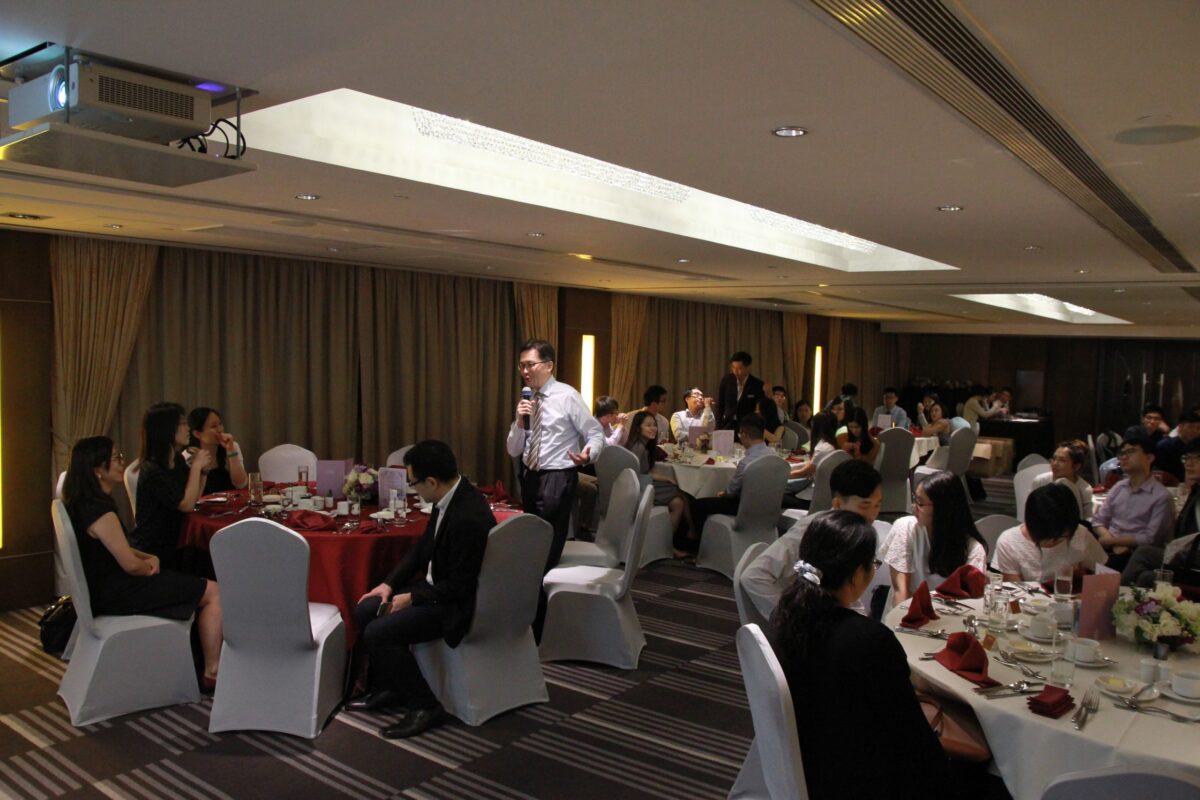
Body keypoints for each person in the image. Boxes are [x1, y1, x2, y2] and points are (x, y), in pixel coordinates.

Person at [771, 512, 949, 799]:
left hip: (805, 762)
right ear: (856, 574)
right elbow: (911, 734)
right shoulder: (869, 640)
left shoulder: (785, 617)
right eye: (873, 564)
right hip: (859, 777)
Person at [349, 440, 495, 738]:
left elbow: (460, 586)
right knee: (367, 608)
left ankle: (425, 705)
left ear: (431, 482)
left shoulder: (468, 517)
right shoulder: (450, 498)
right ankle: (393, 686)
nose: (413, 490)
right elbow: (421, 550)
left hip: (455, 605)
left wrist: (412, 598)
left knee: (379, 632)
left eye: (414, 483)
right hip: (437, 591)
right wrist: (388, 584)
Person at [62, 436, 222, 690]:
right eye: (115, 458)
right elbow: (129, 564)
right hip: (120, 592)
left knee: (183, 580)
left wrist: (148, 558)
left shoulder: (80, 504)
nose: (121, 462)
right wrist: (149, 568)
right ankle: (212, 671)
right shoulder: (100, 511)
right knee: (213, 591)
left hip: (103, 589)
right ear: (97, 470)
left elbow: (116, 548)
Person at [506, 339, 604, 637]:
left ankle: (539, 625)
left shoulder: (567, 396)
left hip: (558, 478)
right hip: (531, 477)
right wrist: (519, 422)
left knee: (545, 547)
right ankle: (533, 613)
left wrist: (588, 454)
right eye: (521, 365)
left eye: (530, 365)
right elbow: (513, 450)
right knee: (532, 543)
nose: (525, 371)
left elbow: (595, 432)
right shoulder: (526, 400)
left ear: (548, 366)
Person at [741, 460, 882, 620]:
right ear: (837, 504)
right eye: (865, 506)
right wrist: (790, 620)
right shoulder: (813, 530)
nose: (872, 515)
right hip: (807, 618)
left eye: (877, 505)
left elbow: (850, 593)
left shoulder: (856, 534)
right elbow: (753, 576)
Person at [884, 471, 987, 605]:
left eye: (920, 503)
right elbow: (901, 591)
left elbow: (969, 600)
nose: (913, 507)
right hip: (904, 610)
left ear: (943, 508)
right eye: (915, 499)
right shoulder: (906, 528)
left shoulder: (972, 548)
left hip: (948, 614)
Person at [131, 402, 212, 569]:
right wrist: (196, 467)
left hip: (177, 541)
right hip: (157, 551)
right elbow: (186, 504)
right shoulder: (152, 469)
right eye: (182, 423)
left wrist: (203, 471)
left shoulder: (176, 459)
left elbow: (193, 498)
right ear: (166, 429)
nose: (187, 428)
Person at [1122, 440, 1200, 586]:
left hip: (1194, 559)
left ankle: (1116, 597)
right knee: (1146, 575)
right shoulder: (1196, 489)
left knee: (1143, 554)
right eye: (1186, 458)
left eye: (1196, 458)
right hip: (1188, 554)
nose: (1189, 464)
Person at [992, 483, 1107, 582]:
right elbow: (1015, 591)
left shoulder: (1080, 534)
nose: (1053, 541)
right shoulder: (1010, 542)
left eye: (1062, 536)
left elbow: (1104, 575)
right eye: (1047, 536)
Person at [1093, 433, 1175, 570]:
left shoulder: (1161, 496)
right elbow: (1098, 521)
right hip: (1110, 546)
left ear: (1149, 458)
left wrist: (1111, 542)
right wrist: (1112, 542)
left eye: (1131, 452)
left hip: (1136, 553)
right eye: (1121, 453)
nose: (1124, 457)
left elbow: (1150, 538)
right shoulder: (1119, 487)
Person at [687, 414, 773, 545]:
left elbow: (731, 492)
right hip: (769, 507)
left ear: (744, 434)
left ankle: (696, 547)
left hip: (744, 508)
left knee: (697, 505)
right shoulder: (773, 454)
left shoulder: (746, 462)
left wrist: (723, 493)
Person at [624, 411, 688, 537]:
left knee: (678, 501)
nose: (653, 428)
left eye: (654, 425)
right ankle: (680, 536)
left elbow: (646, 472)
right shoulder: (639, 448)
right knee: (680, 494)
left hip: (641, 485)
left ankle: (667, 540)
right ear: (638, 428)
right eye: (648, 425)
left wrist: (667, 478)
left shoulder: (639, 445)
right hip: (640, 490)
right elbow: (639, 477)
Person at [186, 407, 247, 493]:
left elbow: (241, 484)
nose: (220, 429)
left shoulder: (232, 446)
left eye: (220, 424)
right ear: (197, 434)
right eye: (213, 426)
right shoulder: (188, 455)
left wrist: (231, 450)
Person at [1032, 440, 1095, 520]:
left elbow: (1086, 519)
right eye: (1054, 458)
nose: (1055, 463)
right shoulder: (1040, 481)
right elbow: (1032, 511)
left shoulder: (1084, 489)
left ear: (1076, 466)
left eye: (1062, 460)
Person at [715, 351, 765, 430]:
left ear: (747, 367)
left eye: (739, 369)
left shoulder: (757, 385)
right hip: (727, 425)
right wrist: (718, 427)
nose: (735, 371)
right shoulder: (726, 380)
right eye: (733, 368)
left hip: (747, 427)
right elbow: (720, 405)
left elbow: (759, 410)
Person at [789, 411, 838, 481]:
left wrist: (781, 475)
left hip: (815, 484)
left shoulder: (823, 448)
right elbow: (811, 464)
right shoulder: (831, 444)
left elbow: (804, 472)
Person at [1155, 410, 1200, 481]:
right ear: (1180, 427)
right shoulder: (1165, 446)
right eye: (1191, 427)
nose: (1195, 430)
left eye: (1198, 428)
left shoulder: (1198, 448)